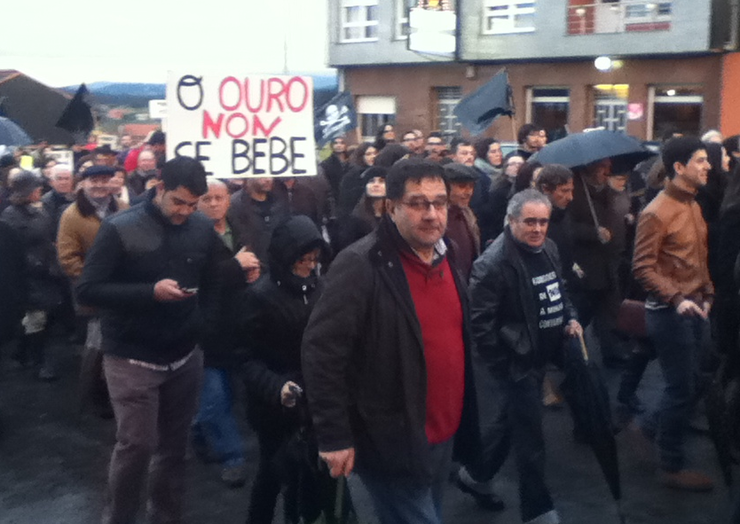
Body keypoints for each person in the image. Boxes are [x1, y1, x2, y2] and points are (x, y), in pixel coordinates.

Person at [301, 158, 479, 524]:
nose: (432, 214)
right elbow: (322, 352)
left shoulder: (450, 256)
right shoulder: (361, 265)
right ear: (391, 207)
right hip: (391, 437)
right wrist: (334, 436)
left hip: (442, 431)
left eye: (439, 202)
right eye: (417, 203)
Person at [76, 156, 229, 524]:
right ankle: (119, 518)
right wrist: (150, 292)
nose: (185, 212)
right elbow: (88, 290)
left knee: (174, 449)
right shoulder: (119, 227)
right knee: (137, 446)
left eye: (193, 205)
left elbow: (215, 280)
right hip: (131, 356)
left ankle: (165, 516)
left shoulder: (200, 227)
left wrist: (202, 325)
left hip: (183, 353)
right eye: (178, 202)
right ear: (159, 187)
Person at [453, 189, 582, 524]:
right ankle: (538, 510)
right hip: (517, 363)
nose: (538, 229)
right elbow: (480, 328)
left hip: (543, 354)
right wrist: (507, 368)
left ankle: (476, 474)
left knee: (512, 422)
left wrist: (569, 317)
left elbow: (559, 289)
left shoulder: (548, 248)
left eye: (543, 222)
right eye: (530, 222)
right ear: (511, 222)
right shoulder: (492, 265)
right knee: (531, 438)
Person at [632, 136, 715, 492]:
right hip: (670, 313)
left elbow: (697, 256)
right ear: (679, 168)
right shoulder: (656, 211)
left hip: (696, 305)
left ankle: (648, 427)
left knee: (694, 382)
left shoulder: (693, 204)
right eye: (700, 160)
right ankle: (670, 465)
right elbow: (642, 267)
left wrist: (708, 290)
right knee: (681, 388)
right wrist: (677, 298)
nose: (708, 165)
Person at [242, 215, 329, 523]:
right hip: (274, 407)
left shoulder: (321, 287)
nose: (308, 267)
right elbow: (245, 359)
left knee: (309, 476)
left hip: (313, 401)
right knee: (272, 473)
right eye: (301, 261)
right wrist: (276, 387)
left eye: (314, 260)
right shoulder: (259, 296)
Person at [193, 178, 260, 488]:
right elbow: (194, 279)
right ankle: (232, 457)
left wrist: (255, 272)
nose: (214, 204)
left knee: (225, 395)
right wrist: (235, 266)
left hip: (239, 324)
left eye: (220, 197)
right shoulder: (189, 234)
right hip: (205, 329)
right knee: (216, 398)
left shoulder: (241, 228)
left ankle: (195, 431)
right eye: (207, 199)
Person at [57, 165, 129, 418]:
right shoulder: (72, 214)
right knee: (97, 345)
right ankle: (95, 396)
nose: (99, 185)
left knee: (117, 343)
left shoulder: (121, 207)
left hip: (122, 288)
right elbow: (67, 258)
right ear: (83, 183)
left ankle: (114, 392)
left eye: (104, 180)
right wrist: (93, 280)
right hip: (93, 292)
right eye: (94, 180)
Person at [1, 171, 61, 380]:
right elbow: (11, 251)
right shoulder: (10, 216)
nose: (40, 191)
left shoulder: (39, 210)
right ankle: (40, 361)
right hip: (29, 276)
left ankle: (22, 353)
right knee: (38, 317)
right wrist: (34, 263)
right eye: (36, 188)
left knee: (40, 317)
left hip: (47, 272)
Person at [228, 177, 286, 270]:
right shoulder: (234, 204)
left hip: (279, 267)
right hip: (251, 270)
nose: (268, 179)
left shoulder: (279, 201)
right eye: (262, 175)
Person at [332, 166, 388, 254]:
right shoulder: (356, 216)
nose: (376, 185)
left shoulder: (395, 214)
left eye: (381, 181)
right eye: (371, 181)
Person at [443, 163, 480, 279]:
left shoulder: (467, 214)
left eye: (471, 186)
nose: (468, 192)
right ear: (446, 188)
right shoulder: (437, 217)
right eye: (462, 186)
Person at [337, 142, 378, 217]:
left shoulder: (381, 173)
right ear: (361, 156)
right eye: (368, 154)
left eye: (375, 153)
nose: (373, 156)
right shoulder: (352, 176)